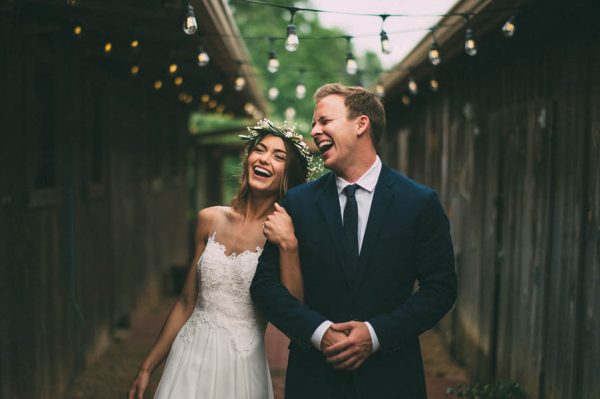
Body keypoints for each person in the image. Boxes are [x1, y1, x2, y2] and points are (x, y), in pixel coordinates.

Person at [251, 83, 458, 399]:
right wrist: (319, 333)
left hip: (391, 380)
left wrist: (375, 335)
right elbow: (264, 286)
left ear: (362, 124)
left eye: (324, 121)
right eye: (314, 123)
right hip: (314, 379)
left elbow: (440, 288)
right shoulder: (298, 202)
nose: (315, 131)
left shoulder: (418, 203)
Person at [128, 119, 311, 399]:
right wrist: (147, 366)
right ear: (248, 158)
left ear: (289, 173)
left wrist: (288, 245)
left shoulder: (285, 234)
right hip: (189, 356)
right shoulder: (209, 219)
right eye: (259, 150)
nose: (264, 159)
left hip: (241, 366)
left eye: (278, 156)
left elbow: (295, 309)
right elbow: (186, 303)